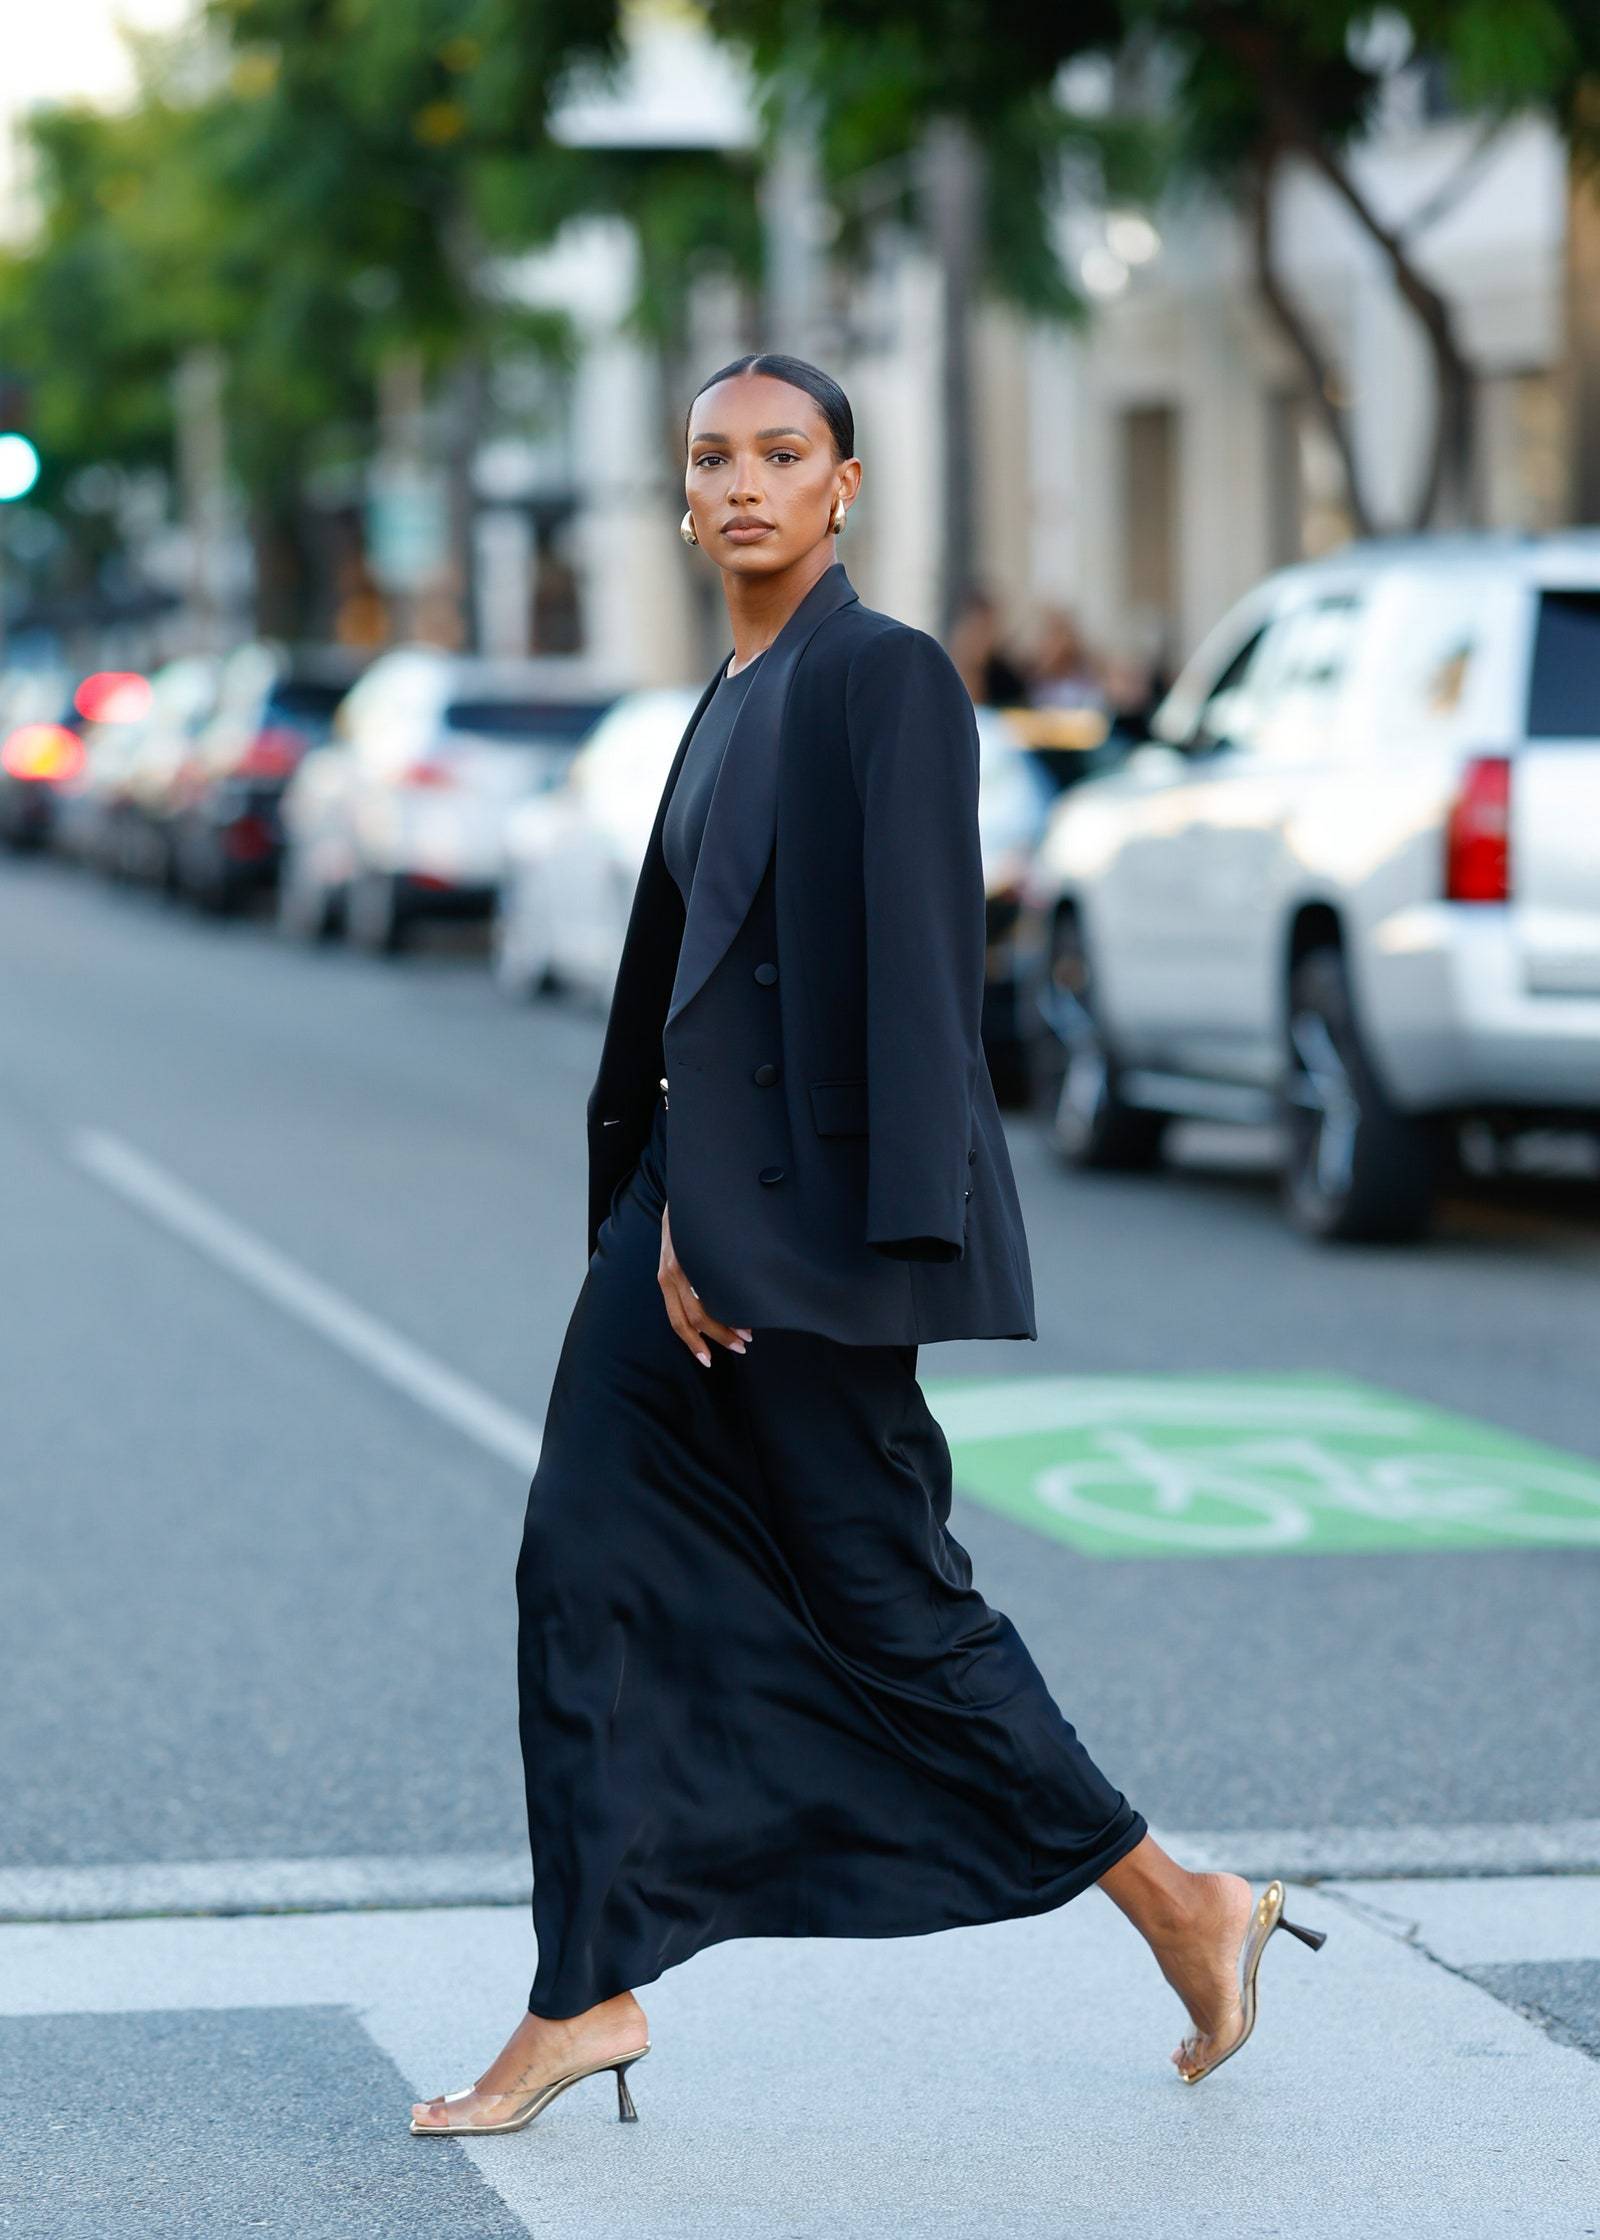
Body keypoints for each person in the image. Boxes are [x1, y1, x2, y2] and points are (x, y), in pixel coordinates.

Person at [409, 353, 1325, 2138]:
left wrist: (781, 1245)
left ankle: (1184, 1906)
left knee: (891, 1606)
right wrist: (670, 1205)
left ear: (845, 488)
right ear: (683, 500)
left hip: (795, 1243)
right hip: (685, 1207)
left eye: (781, 455)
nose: (742, 484)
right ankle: (581, 1990)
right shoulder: (731, 691)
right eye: (711, 459)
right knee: (582, 1564)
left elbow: (912, 978)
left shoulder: (878, 675)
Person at [947, 584, 1032, 707]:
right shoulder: (942, 670)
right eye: (975, 629)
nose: (980, 640)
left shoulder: (1008, 680)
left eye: (986, 630)